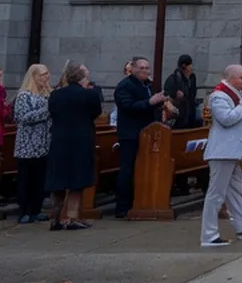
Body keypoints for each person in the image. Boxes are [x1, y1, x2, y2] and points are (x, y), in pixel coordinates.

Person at [200, 65, 242, 247]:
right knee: (216, 194)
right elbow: (227, 119)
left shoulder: (233, 95)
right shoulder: (219, 96)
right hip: (222, 152)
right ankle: (209, 235)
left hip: (232, 152)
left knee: (236, 191)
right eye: (241, 77)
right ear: (230, 78)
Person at [113, 56, 173, 218]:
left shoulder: (147, 85)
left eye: (147, 68)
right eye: (142, 68)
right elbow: (129, 106)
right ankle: (122, 206)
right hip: (130, 133)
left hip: (147, 132)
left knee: (143, 167)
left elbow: (149, 104)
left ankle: (140, 200)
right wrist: (150, 102)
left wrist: (160, 102)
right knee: (128, 168)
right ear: (132, 69)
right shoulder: (124, 86)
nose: (146, 71)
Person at [46, 61, 102, 230]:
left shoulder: (56, 95)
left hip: (60, 140)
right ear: (82, 76)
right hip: (81, 139)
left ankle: (55, 217)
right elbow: (96, 113)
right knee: (77, 180)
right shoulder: (89, 95)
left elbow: (52, 112)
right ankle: (71, 217)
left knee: (59, 178)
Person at [13, 63, 53, 224]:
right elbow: (22, 117)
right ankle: (24, 211)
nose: (46, 77)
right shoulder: (24, 95)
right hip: (27, 146)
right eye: (43, 74)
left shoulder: (47, 95)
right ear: (34, 76)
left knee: (39, 180)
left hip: (43, 144)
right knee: (26, 180)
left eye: (47, 74)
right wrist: (46, 110)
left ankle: (36, 209)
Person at [163, 54, 200, 130]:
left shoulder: (192, 77)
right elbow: (167, 96)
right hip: (179, 115)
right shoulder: (174, 79)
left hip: (190, 113)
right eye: (190, 65)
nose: (191, 67)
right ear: (185, 66)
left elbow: (192, 94)